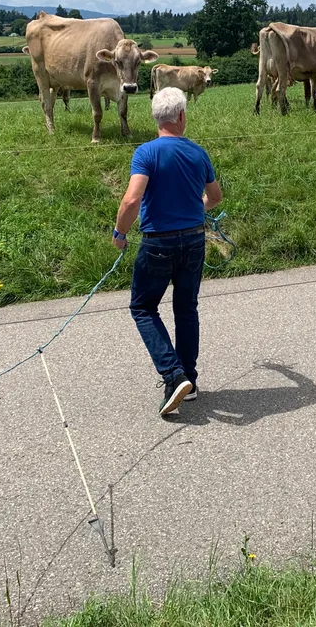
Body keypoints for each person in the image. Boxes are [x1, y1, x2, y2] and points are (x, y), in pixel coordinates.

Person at [113, 86, 222, 417]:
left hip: (158, 242)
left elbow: (133, 199)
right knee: (186, 309)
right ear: (182, 116)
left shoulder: (145, 153)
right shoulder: (197, 152)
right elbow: (214, 197)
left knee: (143, 308)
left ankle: (173, 375)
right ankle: (188, 379)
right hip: (193, 239)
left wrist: (119, 233)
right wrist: (196, 208)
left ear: (156, 118)